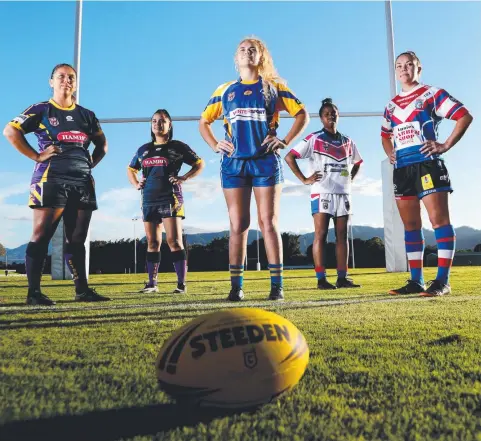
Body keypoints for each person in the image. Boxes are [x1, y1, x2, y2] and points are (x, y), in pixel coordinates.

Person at [199, 37, 309, 301]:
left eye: (253, 50)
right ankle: (236, 288)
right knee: (238, 224)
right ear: (236, 59)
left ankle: (277, 287)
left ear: (261, 57)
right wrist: (215, 144)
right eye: (242, 50)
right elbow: (204, 121)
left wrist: (284, 141)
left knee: (268, 223)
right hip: (234, 164)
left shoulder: (273, 88)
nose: (247, 53)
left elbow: (302, 113)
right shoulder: (225, 90)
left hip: (265, 162)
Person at [3, 63, 110, 305]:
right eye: (61, 76)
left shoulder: (87, 115)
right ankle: (34, 293)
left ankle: (82, 290)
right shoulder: (41, 109)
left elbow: (102, 145)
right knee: (42, 235)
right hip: (51, 178)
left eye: (71, 77)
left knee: (77, 238)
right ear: (51, 82)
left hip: (82, 181)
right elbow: (10, 131)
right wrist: (37, 156)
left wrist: (88, 163)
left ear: (76, 82)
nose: (66, 81)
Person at [381, 51, 473, 297]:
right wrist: (390, 152)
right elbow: (384, 134)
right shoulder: (390, 106)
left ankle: (442, 281)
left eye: (409, 65)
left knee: (439, 221)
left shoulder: (432, 94)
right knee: (411, 226)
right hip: (402, 169)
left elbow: (464, 116)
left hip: (427, 165)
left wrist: (444, 145)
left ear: (418, 68)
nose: (403, 69)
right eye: (399, 65)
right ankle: (416, 281)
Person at [285, 98, 363, 290]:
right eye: (327, 114)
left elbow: (358, 162)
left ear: (338, 115)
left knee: (342, 235)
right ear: (321, 118)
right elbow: (289, 157)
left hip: (343, 193)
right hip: (322, 192)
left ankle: (342, 278)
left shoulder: (348, 141)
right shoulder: (314, 138)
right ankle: (321, 279)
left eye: (334, 113)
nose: (331, 116)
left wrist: (350, 179)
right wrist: (304, 179)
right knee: (320, 234)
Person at [127, 109, 204, 294]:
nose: (157, 124)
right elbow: (131, 168)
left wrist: (183, 178)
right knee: (152, 242)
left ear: (169, 125)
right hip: (148, 199)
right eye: (154, 121)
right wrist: (137, 183)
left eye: (162, 121)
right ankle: (152, 284)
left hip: (171, 197)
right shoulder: (143, 149)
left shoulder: (177, 146)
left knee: (174, 241)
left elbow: (199, 163)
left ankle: (181, 285)